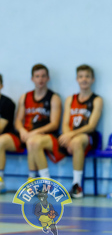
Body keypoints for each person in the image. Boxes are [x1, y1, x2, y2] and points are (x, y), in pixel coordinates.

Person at [28, 64, 103, 199]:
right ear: (77, 79)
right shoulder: (70, 99)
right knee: (34, 141)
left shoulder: (97, 100)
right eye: (81, 76)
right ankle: (46, 184)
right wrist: (67, 135)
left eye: (87, 76)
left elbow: (91, 126)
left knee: (76, 142)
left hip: (86, 136)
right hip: (68, 135)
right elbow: (65, 123)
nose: (84, 79)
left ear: (92, 80)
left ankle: (76, 186)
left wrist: (70, 135)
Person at [0, 64, 61, 187]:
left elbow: (54, 124)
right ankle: (0, 181)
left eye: (43, 76)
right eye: (37, 76)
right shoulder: (25, 97)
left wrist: (34, 133)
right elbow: (18, 120)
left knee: (33, 141)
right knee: (1, 141)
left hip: (45, 135)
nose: (40, 79)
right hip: (25, 134)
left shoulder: (54, 98)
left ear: (48, 78)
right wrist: (22, 131)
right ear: (32, 79)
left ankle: (41, 182)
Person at [0, 73, 16, 194]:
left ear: (1, 86)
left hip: (9, 137)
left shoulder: (7, 103)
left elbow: (1, 128)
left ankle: (0, 180)